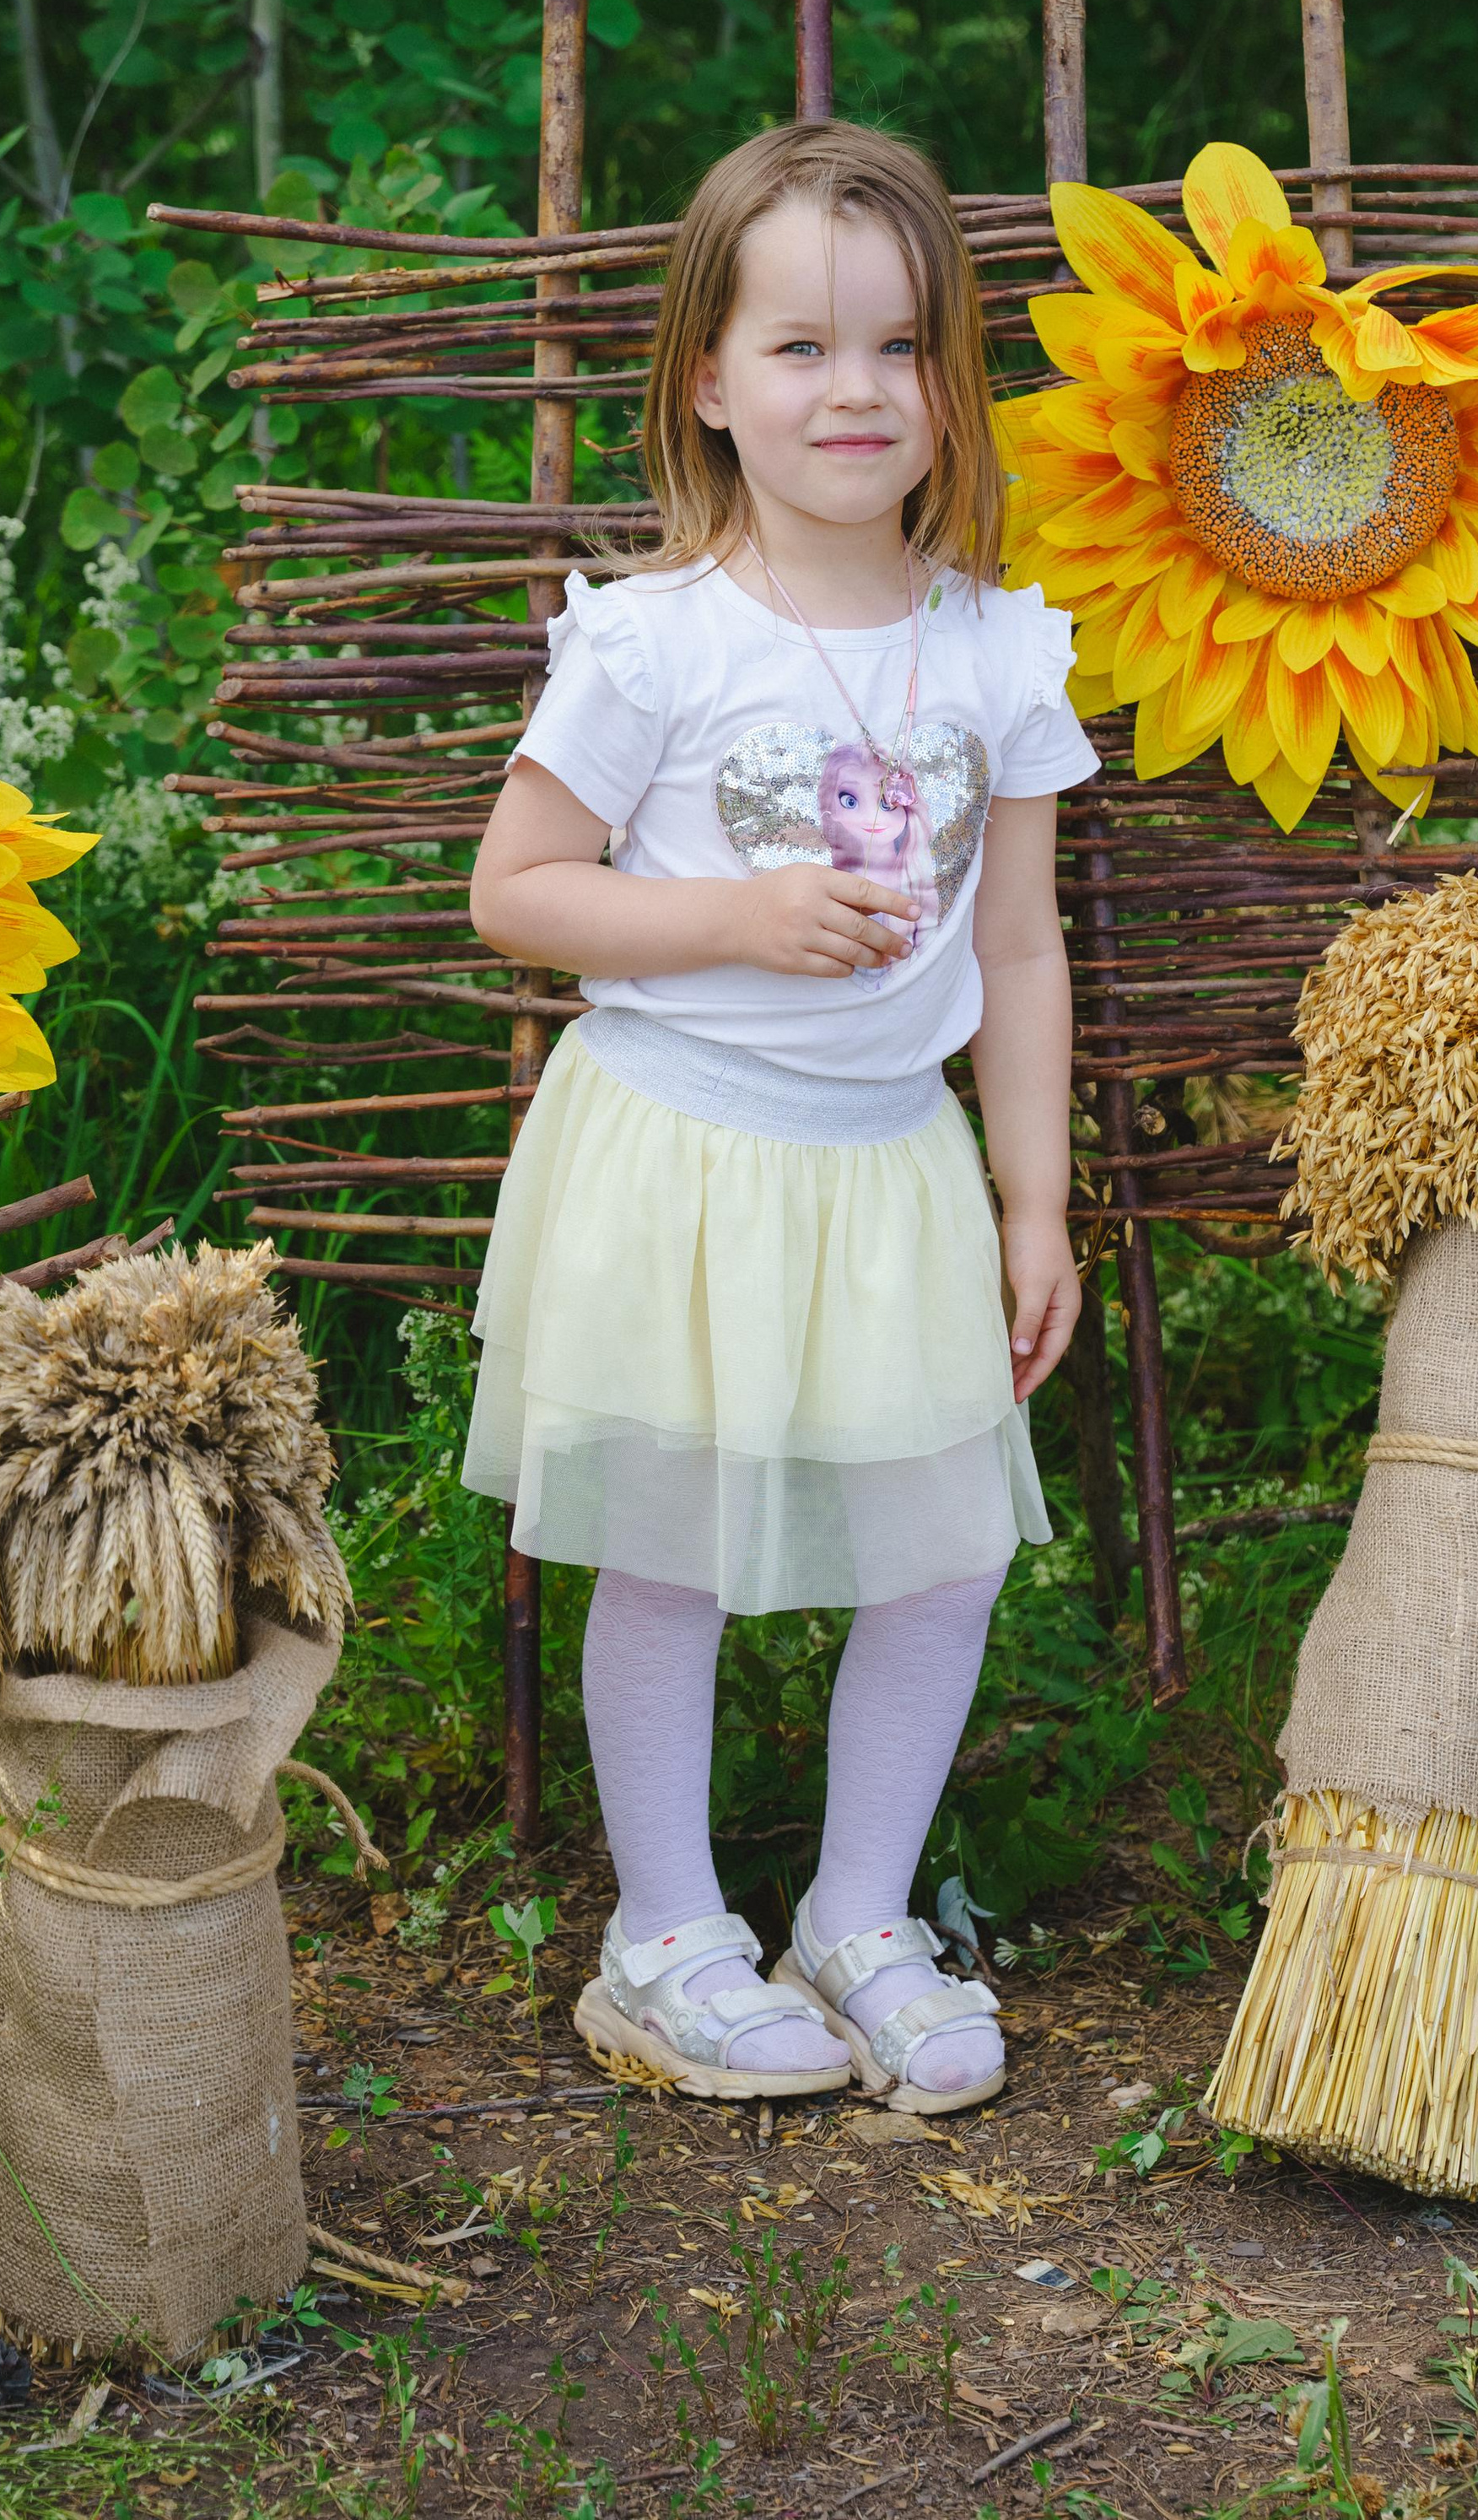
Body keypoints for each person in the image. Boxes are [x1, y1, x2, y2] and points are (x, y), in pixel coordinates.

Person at [464, 119, 1096, 2112]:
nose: (854, 392)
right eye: (803, 349)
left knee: (939, 1549)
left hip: (889, 1170)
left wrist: (1030, 1204)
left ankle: (856, 1911)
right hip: (676, 1151)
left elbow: (1016, 951)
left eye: (898, 350)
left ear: (946, 385)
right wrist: (729, 917)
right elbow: (517, 893)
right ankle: (660, 1934)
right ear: (712, 384)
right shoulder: (652, 641)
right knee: (662, 1544)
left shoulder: (991, 647)